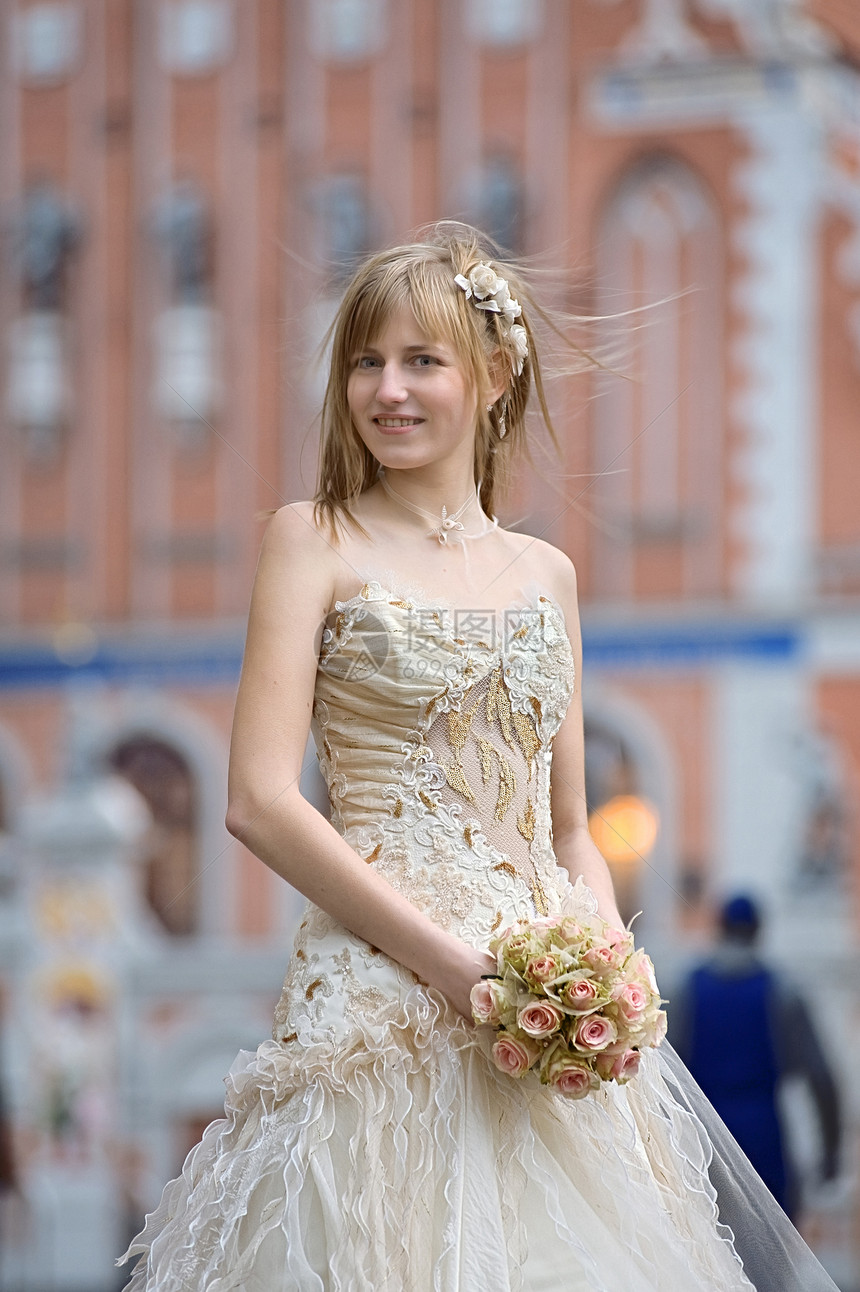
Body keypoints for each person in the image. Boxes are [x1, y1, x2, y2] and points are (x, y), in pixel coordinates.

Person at [119, 225, 839, 1290]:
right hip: (376, 999)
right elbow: (260, 801)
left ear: (493, 375)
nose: (387, 389)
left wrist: (601, 949)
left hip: (539, 1002)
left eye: (421, 360)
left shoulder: (546, 571)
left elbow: (564, 826)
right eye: (365, 361)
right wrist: (449, 968)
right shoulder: (309, 538)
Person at [671, 893, 842, 1222]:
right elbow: (821, 1078)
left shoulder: (685, 990)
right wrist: (831, 1152)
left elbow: (665, 1072)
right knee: (771, 1254)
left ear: (719, 928)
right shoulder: (783, 991)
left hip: (704, 1139)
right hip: (764, 1134)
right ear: (758, 931)